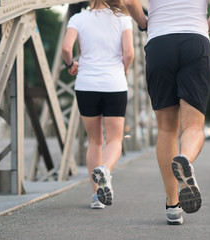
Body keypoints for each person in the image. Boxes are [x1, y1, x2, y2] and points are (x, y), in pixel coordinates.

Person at [124, 0, 210, 224]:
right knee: (193, 126)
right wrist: (203, 29)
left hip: (159, 42)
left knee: (166, 130)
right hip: (195, 40)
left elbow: (129, 2)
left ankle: (173, 206)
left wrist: (145, 25)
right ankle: (186, 159)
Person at [62, 0, 134, 209]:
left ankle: (96, 197)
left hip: (86, 85)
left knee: (95, 141)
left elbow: (67, 48)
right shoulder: (123, 18)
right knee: (114, 140)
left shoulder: (78, 18)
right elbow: (129, 53)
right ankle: (104, 169)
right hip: (114, 84)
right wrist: (125, 70)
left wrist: (70, 65)